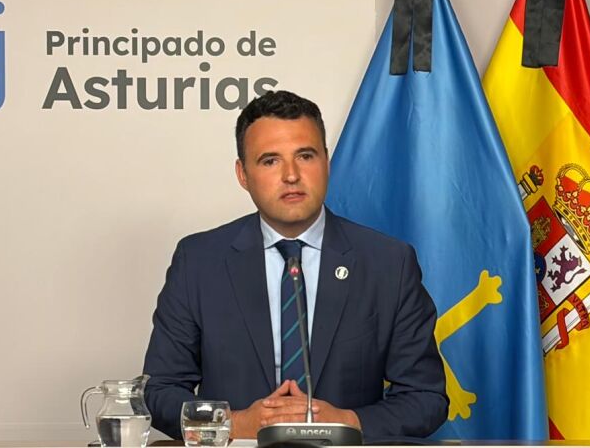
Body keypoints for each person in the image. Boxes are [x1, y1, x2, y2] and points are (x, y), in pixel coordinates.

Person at [143, 90, 447, 440]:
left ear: (326, 162)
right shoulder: (198, 261)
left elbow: (426, 398)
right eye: (270, 161)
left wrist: (347, 421)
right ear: (243, 174)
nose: (291, 175)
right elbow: (160, 391)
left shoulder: (388, 262)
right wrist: (233, 424)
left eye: (305, 156)